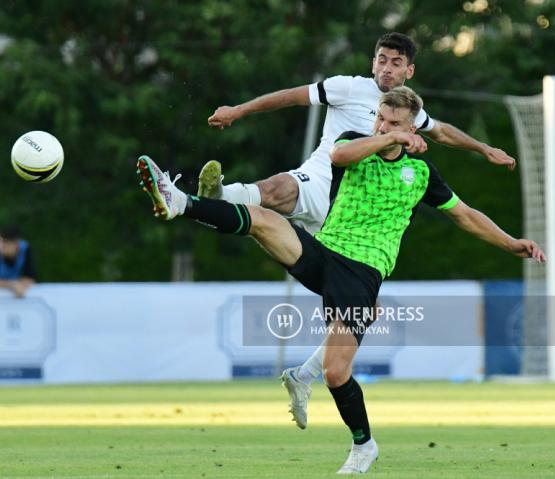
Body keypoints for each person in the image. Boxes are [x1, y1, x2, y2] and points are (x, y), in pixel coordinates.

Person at [136, 86, 544, 474]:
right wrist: (388, 138)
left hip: (363, 273)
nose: (382, 126)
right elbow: (340, 155)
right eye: (381, 119)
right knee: (264, 220)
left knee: (336, 372)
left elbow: (466, 215)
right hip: (325, 253)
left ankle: (363, 443)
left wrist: (510, 244)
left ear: (413, 129)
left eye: (393, 123)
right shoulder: (357, 142)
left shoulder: (421, 173)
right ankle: (181, 202)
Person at [202, 32, 518, 428]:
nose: (387, 68)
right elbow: (288, 97)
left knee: (363, 311)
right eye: (381, 60)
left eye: (396, 63)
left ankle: (304, 375)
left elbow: (442, 132)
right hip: (324, 179)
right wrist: (238, 110)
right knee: (277, 191)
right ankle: (219, 195)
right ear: (373, 63)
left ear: (409, 70)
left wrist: (483, 149)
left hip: (348, 215)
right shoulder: (347, 88)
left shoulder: (408, 111)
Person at [0, 224, 37, 298]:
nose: (0, 246)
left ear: (16, 244)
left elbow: (31, 278)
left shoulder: (25, 249)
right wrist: (12, 285)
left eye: (4, 243)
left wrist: (20, 286)